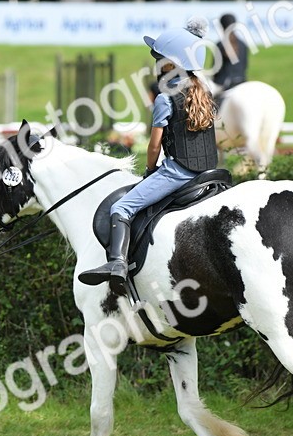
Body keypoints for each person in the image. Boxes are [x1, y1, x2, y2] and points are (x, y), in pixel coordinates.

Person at [79, 21, 217, 290]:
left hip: (178, 172)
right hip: (209, 169)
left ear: (170, 64)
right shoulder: (204, 92)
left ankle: (117, 263)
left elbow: (154, 146)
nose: (156, 64)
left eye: (159, 59)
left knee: (121, 207)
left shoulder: (165, 99)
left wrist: (150, 170)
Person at [213, 13, 249, 91]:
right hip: (242, 81)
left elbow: (215, 69)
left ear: (221, 26)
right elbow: (245, 65)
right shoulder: (243, 44)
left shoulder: (220, 45)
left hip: (224, 83)